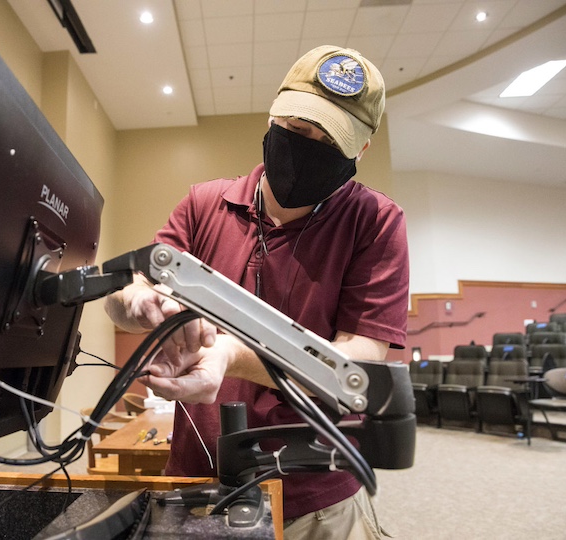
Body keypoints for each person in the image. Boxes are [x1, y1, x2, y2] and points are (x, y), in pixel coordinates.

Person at [104, 45, 409, 540]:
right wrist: (138, 302)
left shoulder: (375, 222)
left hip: (317, 498)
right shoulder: (205, 204)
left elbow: (355, 367)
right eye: (299, 128)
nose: (309, 146)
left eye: (331, 141)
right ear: (274, 114)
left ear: (362, 149)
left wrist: (230, 355)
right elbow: (130, 289)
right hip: (197, 482)